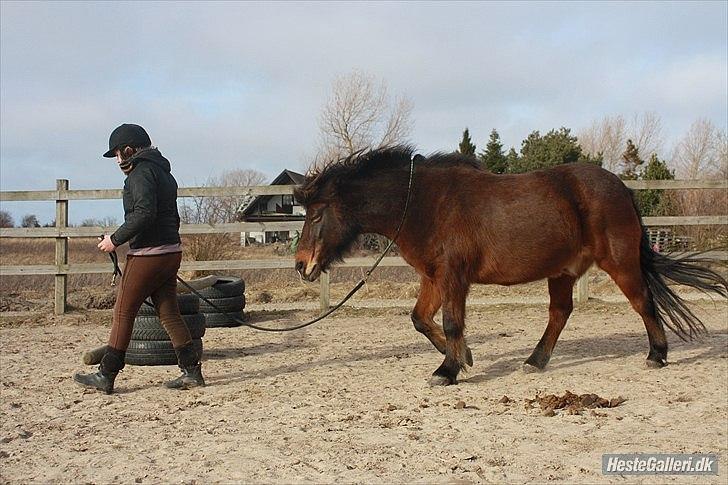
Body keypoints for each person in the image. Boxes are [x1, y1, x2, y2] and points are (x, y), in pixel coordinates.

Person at [73, 123, 204, 394]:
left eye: (119, 154)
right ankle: (192, 372)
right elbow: (168, 216)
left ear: (130, 149)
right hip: (170, 252)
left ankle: (106, 374)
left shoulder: (140, 174)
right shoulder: (164, 173)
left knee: (123, 311)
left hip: (148, 255)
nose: (118, 160)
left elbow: (144, 213)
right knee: (168, 312)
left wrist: (114, 241)